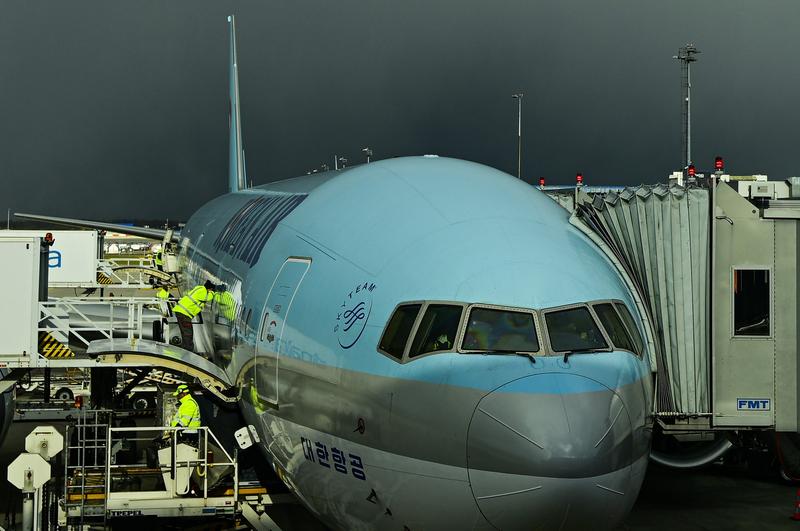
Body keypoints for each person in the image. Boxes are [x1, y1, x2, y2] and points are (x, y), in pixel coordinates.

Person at [173, 280, 217, 353]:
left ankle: (185, 351)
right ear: (209, 288)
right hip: (184, 313)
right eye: (210, 290)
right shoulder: (203, 292)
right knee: (188, 334)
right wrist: (213, 292)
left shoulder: (200, 288)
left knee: (185, 334)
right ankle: (188, 354)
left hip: (181, 311)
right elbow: (207, 298)